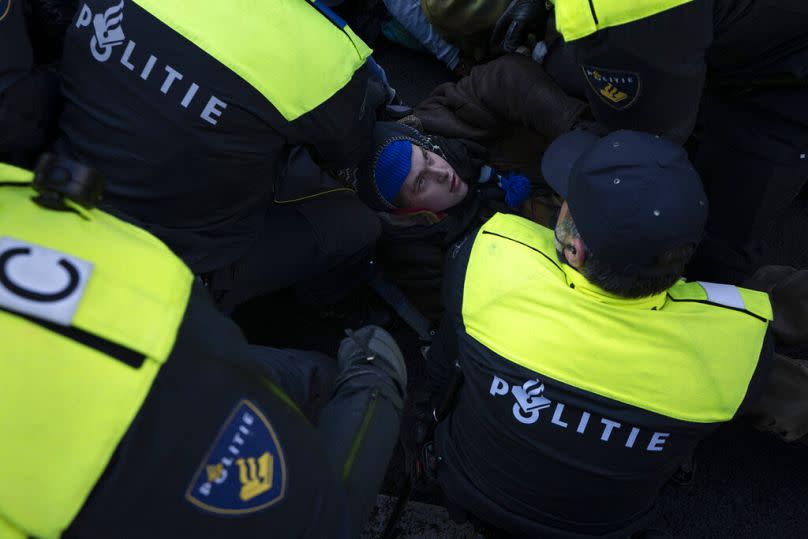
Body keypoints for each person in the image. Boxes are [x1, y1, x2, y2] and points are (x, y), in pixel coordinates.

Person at [0, 156, 406, 538]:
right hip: (159, 473)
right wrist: (375, 373)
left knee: (315, 374)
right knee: (363, 375)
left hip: (197, 346)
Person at [426, 130, 778, 537]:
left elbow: (441, 371)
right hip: (603, 529)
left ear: (574, 250)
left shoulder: (486, 259)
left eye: (565, 202)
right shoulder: (742, 347)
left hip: (471, 486)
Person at [53, 0, 384, 310]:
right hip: (172, 263)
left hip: (55, 198)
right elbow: (347, 152)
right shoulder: (323, 52)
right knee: (356, 225)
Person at [492, 0, 808, 284]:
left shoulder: (619, 14)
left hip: (781, 82)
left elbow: (644, 154)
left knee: (720, 240)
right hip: (735, 31)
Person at [353, 53, 586, 320]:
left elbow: (504, 77)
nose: (440, 172)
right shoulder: (417, 259)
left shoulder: (440, 127)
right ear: (407, 213)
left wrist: (579, 133)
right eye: (420, 182)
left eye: (428, 157)